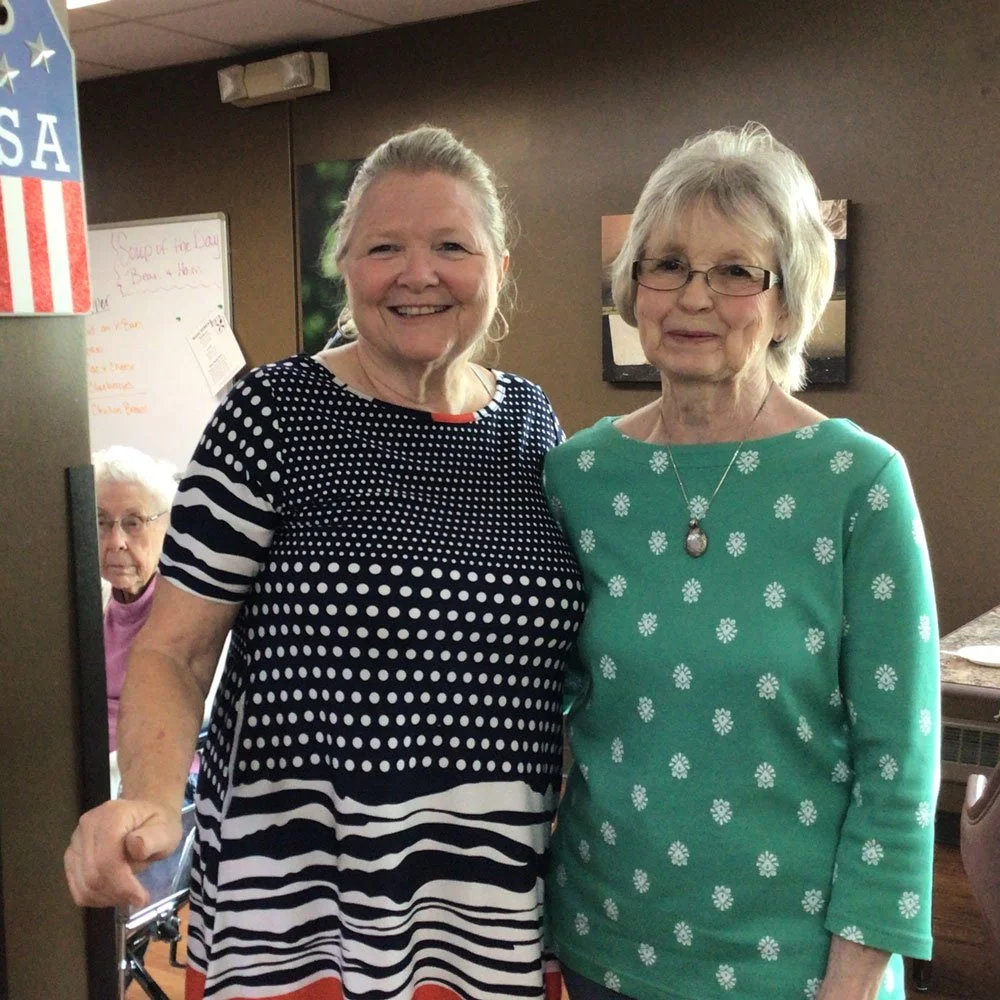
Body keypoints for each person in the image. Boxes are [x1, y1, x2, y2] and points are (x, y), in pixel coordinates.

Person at [65, 125, 585, 1000]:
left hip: (489, 894)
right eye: (386, 247)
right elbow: (173, 650)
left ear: (496, 266)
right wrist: (152, 800)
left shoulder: (535, 427)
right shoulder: (274, 413)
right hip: (302, 899)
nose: (417, 273)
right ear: (346, 266)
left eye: (450, 246)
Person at [543, 124, 938, 1000]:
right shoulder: (581, 475)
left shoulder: (858, 481)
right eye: (667, 264)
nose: (693, 296)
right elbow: (554, 715)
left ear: (788, 303)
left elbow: (899, 764)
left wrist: (852, 981)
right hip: (603, 947)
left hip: (794, 969)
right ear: (632, 289)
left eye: (735, 271)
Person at [94, 445, 176, 753]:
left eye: (133, 522)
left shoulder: (183, 608)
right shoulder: (90, 600)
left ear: (167, 526)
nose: (116, 542)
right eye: (101, 522)